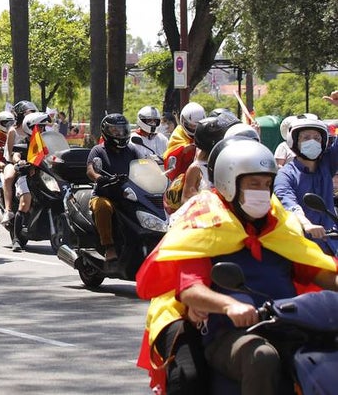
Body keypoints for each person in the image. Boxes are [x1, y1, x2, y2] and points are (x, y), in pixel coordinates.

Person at [136, 140, 338, 395]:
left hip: (289, 326)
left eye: (267, 184)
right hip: (230, 333)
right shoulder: (206, 225)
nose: (262, 191)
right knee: (261, 356)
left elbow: (315, 269)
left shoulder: (280, 226)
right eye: (253, 184)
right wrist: (229, 305)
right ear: (229, 183)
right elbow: (190, 289)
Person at [87, 113, 154, 262]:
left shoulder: (132, 150)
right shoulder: (98, 150)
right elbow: (90, 170)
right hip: (105, 194)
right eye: (115, 131)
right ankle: (109, 247)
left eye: (122, 130)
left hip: (128, 194)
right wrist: (99, 178)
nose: (120, 133)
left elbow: (143, 166)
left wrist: (153, 173)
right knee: (102, 206)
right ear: (106, 131)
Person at [274, 115, 338, 241]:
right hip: (302, 244)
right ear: (294, 141)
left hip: (333, 241)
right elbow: (288, 203)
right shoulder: (285, 175)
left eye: (317, 138)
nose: (312, 141)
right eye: (306, 138)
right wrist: (306, 224)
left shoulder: (327, 163)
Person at [0, 100, 39, 224]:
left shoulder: (36, 129)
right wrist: (18, 161)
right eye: (28, 113)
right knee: (9, 177)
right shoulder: (13, 131)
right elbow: (11, 153)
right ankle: (8, 210)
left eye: (33, 113)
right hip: (13, 162)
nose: (31, 115)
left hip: (33, 162)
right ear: (21, 115)